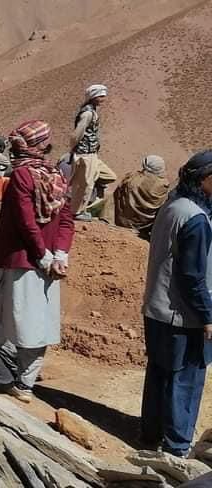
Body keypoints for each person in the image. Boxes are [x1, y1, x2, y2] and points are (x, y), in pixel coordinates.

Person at [0, 120, 74, 402]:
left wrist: (41, 254)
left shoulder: (23, 176)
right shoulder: (57, 176)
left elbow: (26, 222)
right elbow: (66, 221)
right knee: (38, 326)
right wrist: (58, 254)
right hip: (46, 267)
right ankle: (25, 385)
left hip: (15, 260)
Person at [140, 150, 212, 458]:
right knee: (186, 379)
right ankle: (177, 447)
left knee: (159, 371)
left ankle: (150, 434)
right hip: (182, 314)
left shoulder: (173, 203)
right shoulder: (195, 218)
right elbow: (192, 276)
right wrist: (207, 314)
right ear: (206, 181)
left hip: (157, 306)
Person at [70, 84, 117, 221]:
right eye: (101, 96)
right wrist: (74, 149)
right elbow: (77, 134)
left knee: (89, 180)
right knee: (85, 183)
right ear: (94, 96)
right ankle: (77, 212)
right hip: (85, 153)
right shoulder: (88, 113)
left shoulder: (91, 111)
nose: (103, 99)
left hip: (89, 152)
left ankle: (79, 209)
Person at [112, 155, 171, 238]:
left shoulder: (131, 178)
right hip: (145, 225)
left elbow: (117, 195)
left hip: (123, 222)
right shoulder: (163, 185)